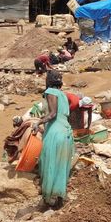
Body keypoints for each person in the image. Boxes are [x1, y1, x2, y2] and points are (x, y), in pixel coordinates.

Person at [34, 71, 74, 208]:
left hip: (55, 132)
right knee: (62, 165)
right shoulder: (63, 94)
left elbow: (52, 114)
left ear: (48, 81)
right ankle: (60, 200)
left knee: (48, 162)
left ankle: (47, 198)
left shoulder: (50, 91)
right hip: (66, 131)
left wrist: (38, 123)